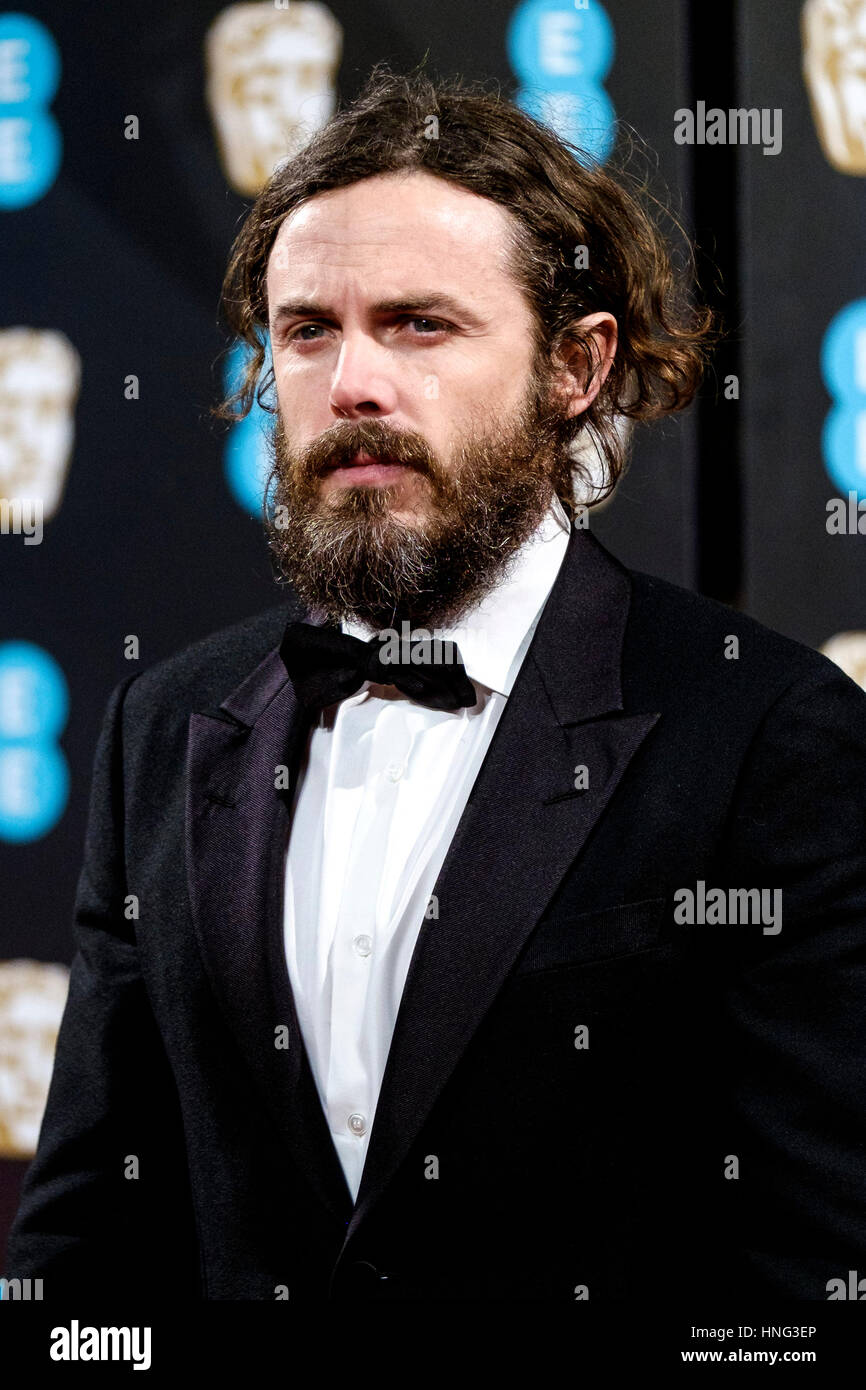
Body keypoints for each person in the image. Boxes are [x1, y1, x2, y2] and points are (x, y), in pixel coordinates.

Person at [7, 68, 866, 1302]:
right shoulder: (168, 724)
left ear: (573, 369)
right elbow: (89, 1235)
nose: (351, 380)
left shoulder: (765, 737)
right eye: (308, 329)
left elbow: (814, 1268)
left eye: (418, 323)